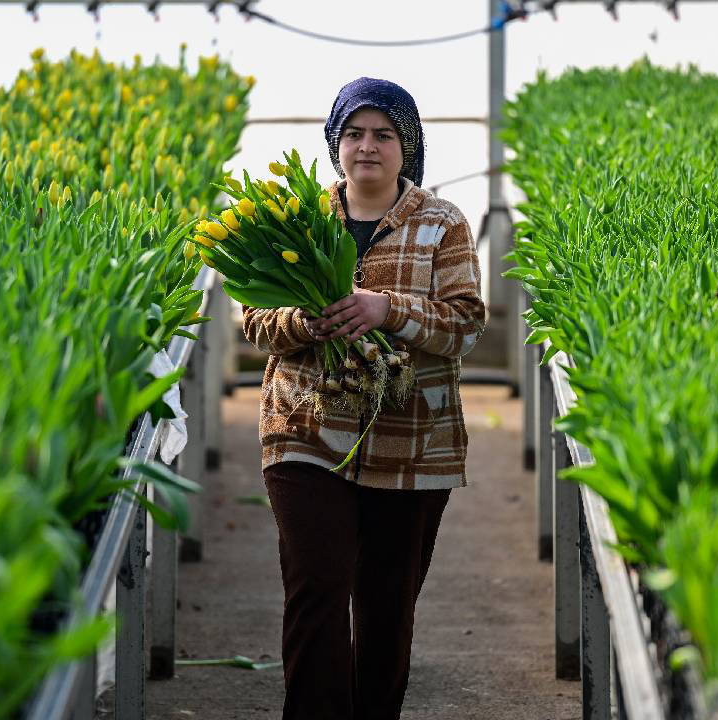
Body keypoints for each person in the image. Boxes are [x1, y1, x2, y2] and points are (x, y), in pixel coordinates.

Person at [241, 77, 487, 720]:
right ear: (335, 145)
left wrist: (387, 311)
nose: (368, 146)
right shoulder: (296, 217)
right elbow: (256, 321)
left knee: (385, 605)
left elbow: (464, 325)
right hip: (304, 430)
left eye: (384, 135)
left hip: (409, 441)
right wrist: (307, 323)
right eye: (354, 133)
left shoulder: (442, 224)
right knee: (315, 589)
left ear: (408, 148)